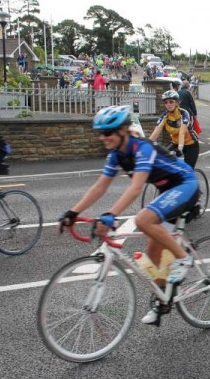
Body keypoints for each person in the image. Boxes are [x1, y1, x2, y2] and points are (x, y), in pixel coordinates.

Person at [58, 105, 199, 324]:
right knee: (153, 254)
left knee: (143, 219)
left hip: (185, 184)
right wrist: (73, 211)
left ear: (123, 131)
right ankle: (164, 300)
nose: (103, 138)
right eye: (100, 133)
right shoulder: (116, 155)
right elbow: (100, 187)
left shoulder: (142, 149)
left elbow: (135, 188)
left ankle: (184, 258)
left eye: (107, 133)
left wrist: (111, 214)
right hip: (167, 190)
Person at [150, 90, 199, 169]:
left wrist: (180, 148)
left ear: (177, 102)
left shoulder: (183, 113)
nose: (168, 104)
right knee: (165, 164)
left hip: (190, 145)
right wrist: (145, 145)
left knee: (188, 170)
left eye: (171, 102)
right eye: (166, 102)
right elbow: (156, 132)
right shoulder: (165, 116)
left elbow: (182, 133)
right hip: (175, 143)